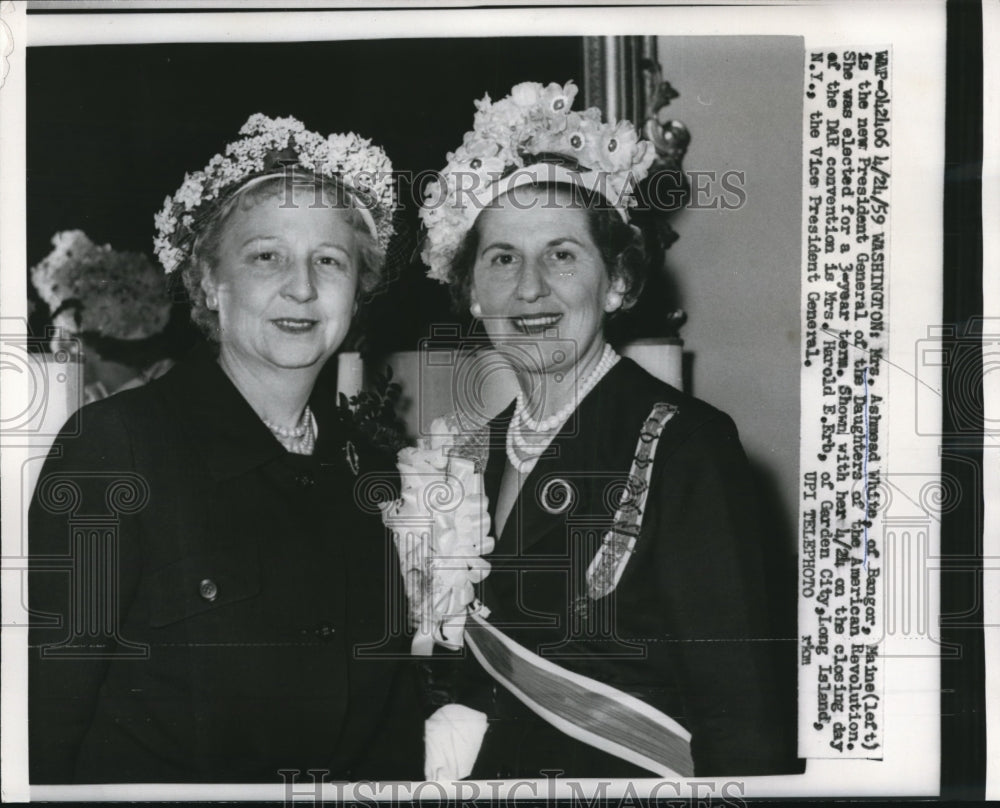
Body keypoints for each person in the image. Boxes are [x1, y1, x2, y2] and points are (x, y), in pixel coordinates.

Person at [415, 82, 799, 778]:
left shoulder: (686, 444)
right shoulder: (471, 453)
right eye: (502, 258)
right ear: (472, 291)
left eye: (562, 254)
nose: (529, 288)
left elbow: (741, 721)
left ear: (617, 282)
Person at [28, 114, 422, 783]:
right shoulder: (116, 451)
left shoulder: (375, 476)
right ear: (210, 283)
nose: (302, 287)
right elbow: (43, 725)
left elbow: (391, 736)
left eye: (329, 261)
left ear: (357, 292)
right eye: (266, 256)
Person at [30, 230, 176, 404]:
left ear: (80, 347)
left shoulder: (169, 387)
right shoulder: (90, 402)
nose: (55, 347)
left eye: (64, 335)